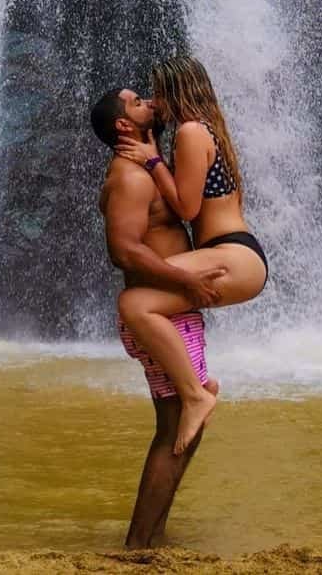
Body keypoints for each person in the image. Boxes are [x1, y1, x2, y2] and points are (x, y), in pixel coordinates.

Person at [114, 55, 269, 454]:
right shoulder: (208, 127)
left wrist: (151, 162)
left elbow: (187, 208)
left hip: (232, 254)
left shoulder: (190, 131)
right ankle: (200, 384)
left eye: (158, 93)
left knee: (134, 304)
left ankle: (195, 395)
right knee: (141, 301)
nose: (154, 102)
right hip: (236, 254)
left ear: (175, 92)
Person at [92, 86, 225, 548]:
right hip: (160, 316)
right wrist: (186, 281)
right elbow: (124, 250)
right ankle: (139, 544)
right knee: (175, 427)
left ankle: (152, 537)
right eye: (137, 103)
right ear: (123, 125)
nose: (150, 102)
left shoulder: (145, 168)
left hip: (167, 313)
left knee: (182, 423)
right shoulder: (129, 177)